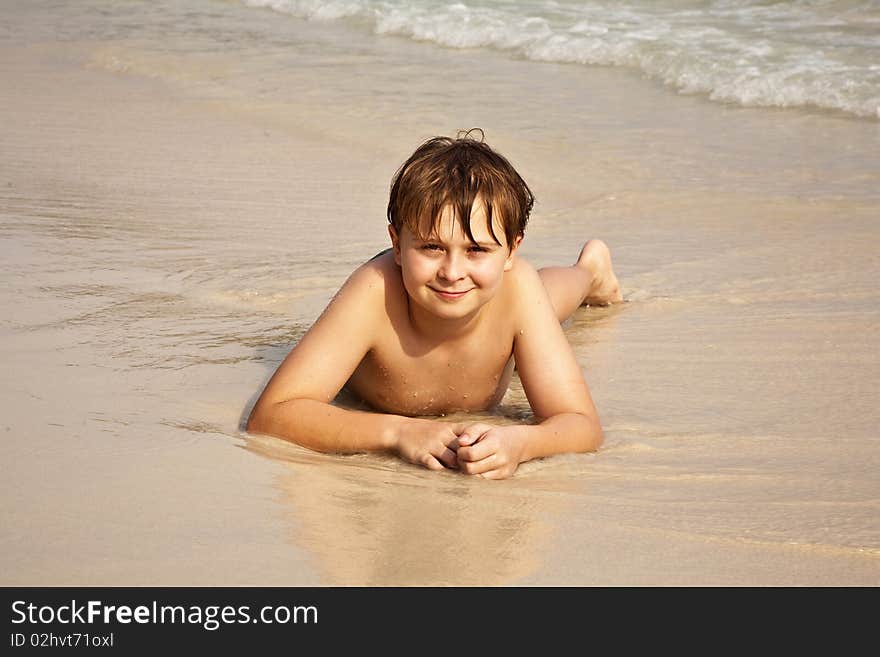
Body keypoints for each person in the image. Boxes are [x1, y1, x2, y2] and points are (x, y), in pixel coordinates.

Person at [246, 129, 622, 479]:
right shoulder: (374, 291)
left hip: (512, 296)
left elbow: (581, 424)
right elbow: (272, 415)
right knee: (527, 298)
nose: (452, 271)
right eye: (431, 247)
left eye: (476, 249)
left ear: (511, 250)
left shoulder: (517, 286)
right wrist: (398, 431)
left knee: (546, 297)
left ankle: (588, 271)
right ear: (397, 244)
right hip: (486, 299)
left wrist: (522, 443)